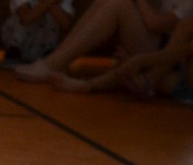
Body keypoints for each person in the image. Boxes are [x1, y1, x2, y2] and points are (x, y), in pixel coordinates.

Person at [14, 0, 193, 84]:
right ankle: (60, 60)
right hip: (157, 39)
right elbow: (163, 13)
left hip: (165, 55)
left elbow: (156, 24)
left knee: (119, 4)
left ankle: (53, 64)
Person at [50, 14, 193, 101]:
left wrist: (141, 60)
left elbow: (185, 50)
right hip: (181, 79)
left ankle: (148, 81)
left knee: (138, 70)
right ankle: (88, 85)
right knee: (187, 25)